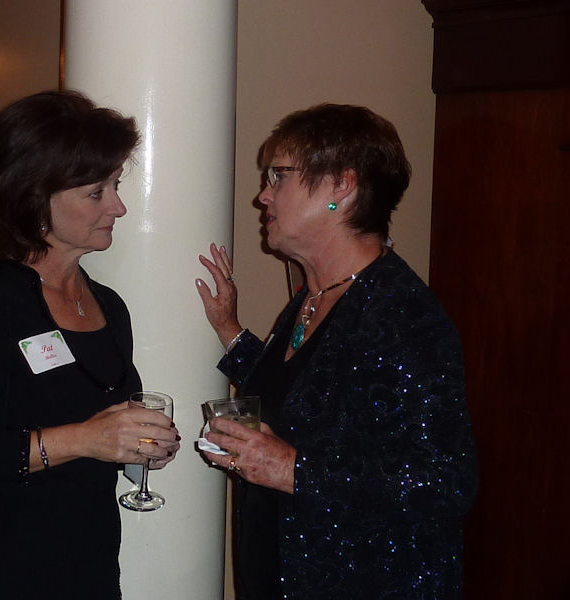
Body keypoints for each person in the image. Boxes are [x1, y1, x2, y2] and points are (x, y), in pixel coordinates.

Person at [195, 104, 477, 599]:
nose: (264, 195)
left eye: (279, 175)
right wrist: (231, 331)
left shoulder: (402, 316)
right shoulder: (315, 295)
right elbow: (305, 396)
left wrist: (292, 470)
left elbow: (445, 482)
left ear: (341, 187)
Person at [0, 90, 180, 600]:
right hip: (11, 565)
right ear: (34, 198)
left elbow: (104, 427)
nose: (119, 206)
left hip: (91, 558)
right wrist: (84, 439)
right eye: (96, 192)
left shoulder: (109, 306)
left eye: (115, 185)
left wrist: (138, 450)